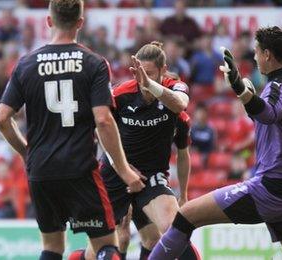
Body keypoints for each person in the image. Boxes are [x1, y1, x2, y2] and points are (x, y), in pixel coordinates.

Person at [149, 26, 282, 260]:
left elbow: (269, 113)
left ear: (267, 55)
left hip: (275, 186)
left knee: (186, 215)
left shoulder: (278, 87)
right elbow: (272, 119)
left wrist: (240, 89)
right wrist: (247, 94)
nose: (254, 57)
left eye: (256, 52)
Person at [0, 1, 145, 259]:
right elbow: (104, 120)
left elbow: (2, 119)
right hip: (80, 170)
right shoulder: (94, 63)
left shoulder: (26, 64)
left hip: (42, 170)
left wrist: (26, 153)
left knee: (52, 247)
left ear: (49, 21)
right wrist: (123, 170)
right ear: (80, 23)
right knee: (105, 246)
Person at [72, 43, 192, 259]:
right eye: (140, 74)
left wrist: (182, 194)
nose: (143, 80)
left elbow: (180, 106)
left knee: (175, 231)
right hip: (116, 173)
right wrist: (123, 168)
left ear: (164, 70)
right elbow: (100, 128)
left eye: (150, 74)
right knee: (112, 244)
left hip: (151, 176)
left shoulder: (176, 93)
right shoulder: (120, 95)